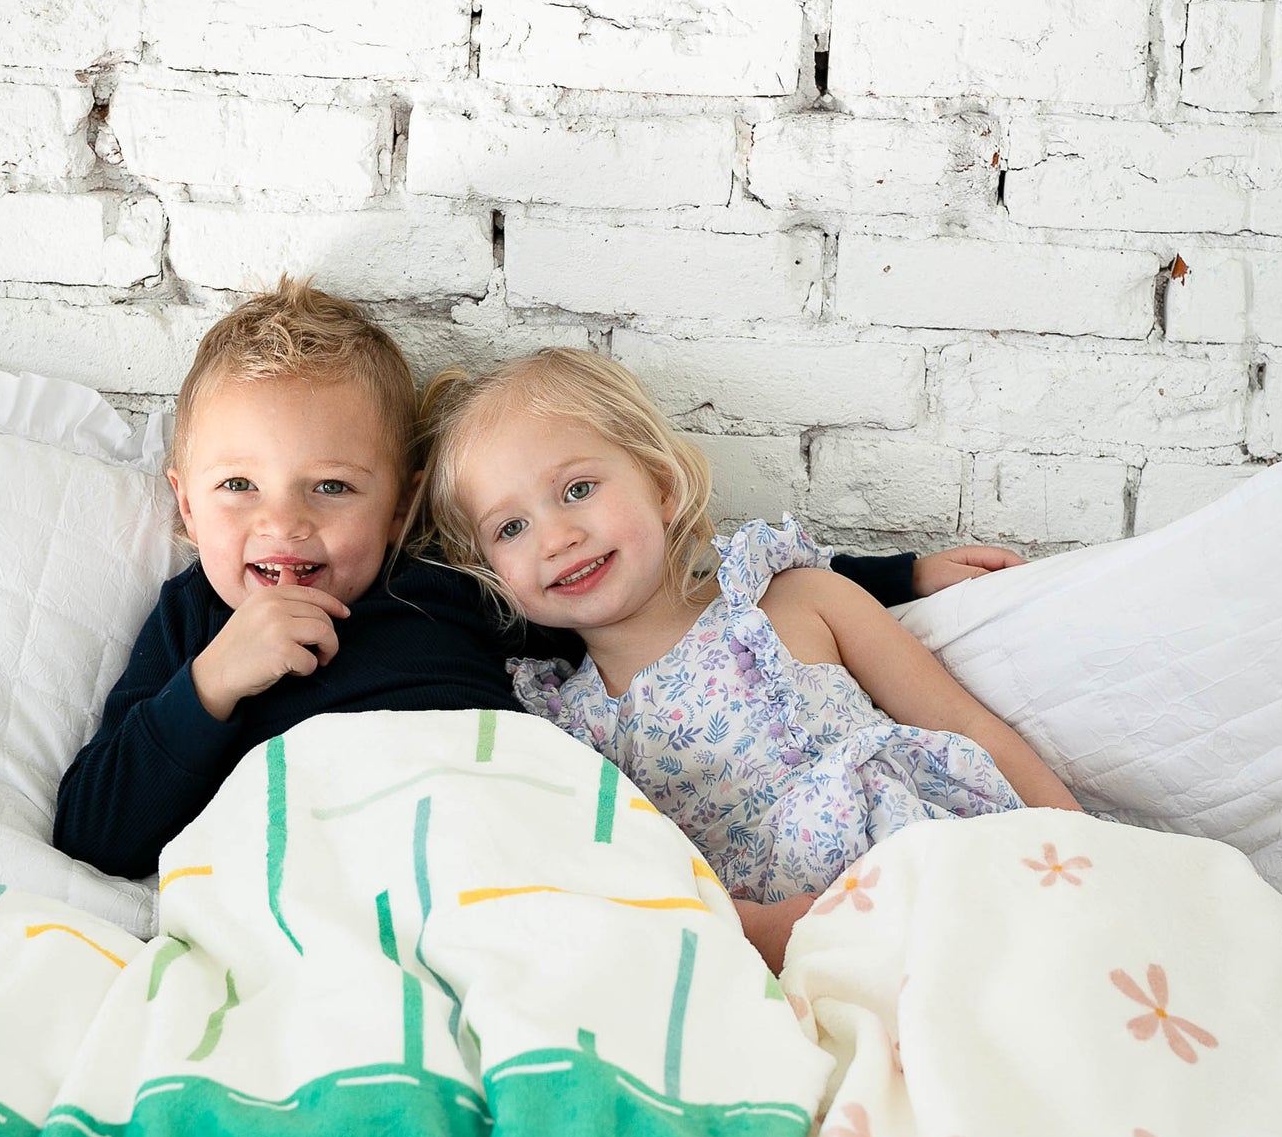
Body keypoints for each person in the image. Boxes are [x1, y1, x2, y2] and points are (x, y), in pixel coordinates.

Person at [54, 281, 1031, 888]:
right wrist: (213, 686)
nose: (284, 523)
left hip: (505, 860)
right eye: (237, 488)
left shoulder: (452, 596)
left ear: (396, 514)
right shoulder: (193, 624)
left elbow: (674, 592)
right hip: (321, 869)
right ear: (184, 505)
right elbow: (95, 831)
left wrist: (895, 573)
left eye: (332, 489)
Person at [414, 349, 1080, 974]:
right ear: (488, 573)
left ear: (662, 484)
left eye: (579, 488)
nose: (557, 537)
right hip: (790, 960)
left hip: (940, 879)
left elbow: (966, 725)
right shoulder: (567, 734)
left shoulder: (795, 601)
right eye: (510, 528)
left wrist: (1080, 846)